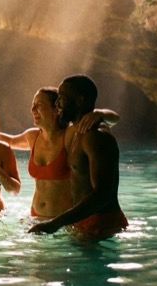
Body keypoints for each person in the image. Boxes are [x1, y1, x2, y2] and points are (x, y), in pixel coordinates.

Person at [29, 75, 128, 240]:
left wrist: (55, 223)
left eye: (62, 98)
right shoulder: (76, 132)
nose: (57, 103)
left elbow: (103, 194)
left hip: (101, 222)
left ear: (80, 101)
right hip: (83, 220)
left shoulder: (95, 136)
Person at [0, 87, 119, 219]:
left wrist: (100, 114)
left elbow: (114, 119)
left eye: (39, 105)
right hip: (34, 216)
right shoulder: (32, 137)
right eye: (33, 105)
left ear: (56, 109)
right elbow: (9, 140)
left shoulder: (69, 134)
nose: (33, 110)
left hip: (62, 220)